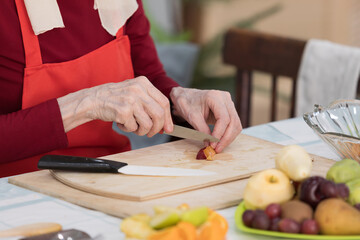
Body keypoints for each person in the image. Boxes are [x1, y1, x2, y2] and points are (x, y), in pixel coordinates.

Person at [0, 0, 242, 177]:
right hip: (19, 189)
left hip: (109, 175)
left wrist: (180, 99)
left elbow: (149, 74)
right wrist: (88, 103)